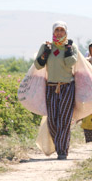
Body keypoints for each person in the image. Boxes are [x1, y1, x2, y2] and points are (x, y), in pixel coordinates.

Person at [34, 21, 78, 160]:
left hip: (67, 87)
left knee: (64, 119)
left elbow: (71, 62)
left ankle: (62, 150)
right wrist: (45, 54)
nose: (59, 32)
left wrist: (68, 49)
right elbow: (38, 65)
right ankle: (58, 144)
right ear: (53, 32)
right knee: (52, 120)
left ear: (66, 32)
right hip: (51, 87)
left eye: (62, 30)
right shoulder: (46, 46)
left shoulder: (71, 47)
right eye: (57, 30)